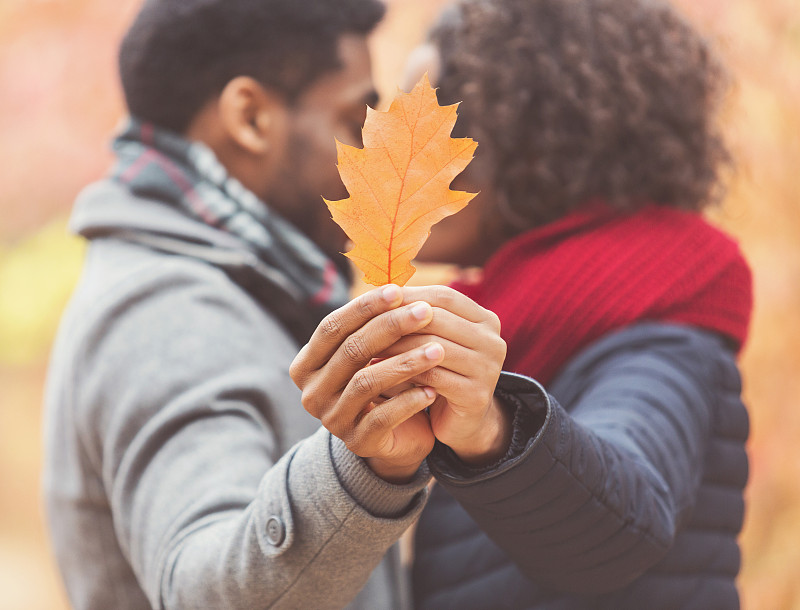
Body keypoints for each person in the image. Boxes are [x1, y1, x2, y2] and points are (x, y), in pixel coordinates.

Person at [42, 1, 511, 608]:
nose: (369, 161)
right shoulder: (170, 312)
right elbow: (202, 591)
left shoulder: (242, 286)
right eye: (349, 119)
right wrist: (367, 471)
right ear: (251, 116)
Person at [340, 0, 747, 607]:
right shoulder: (499, 323)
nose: (398, 152)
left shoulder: (661, 316)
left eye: (434, 118)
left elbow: (623, 522)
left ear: (527, 137)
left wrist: (493, 428)